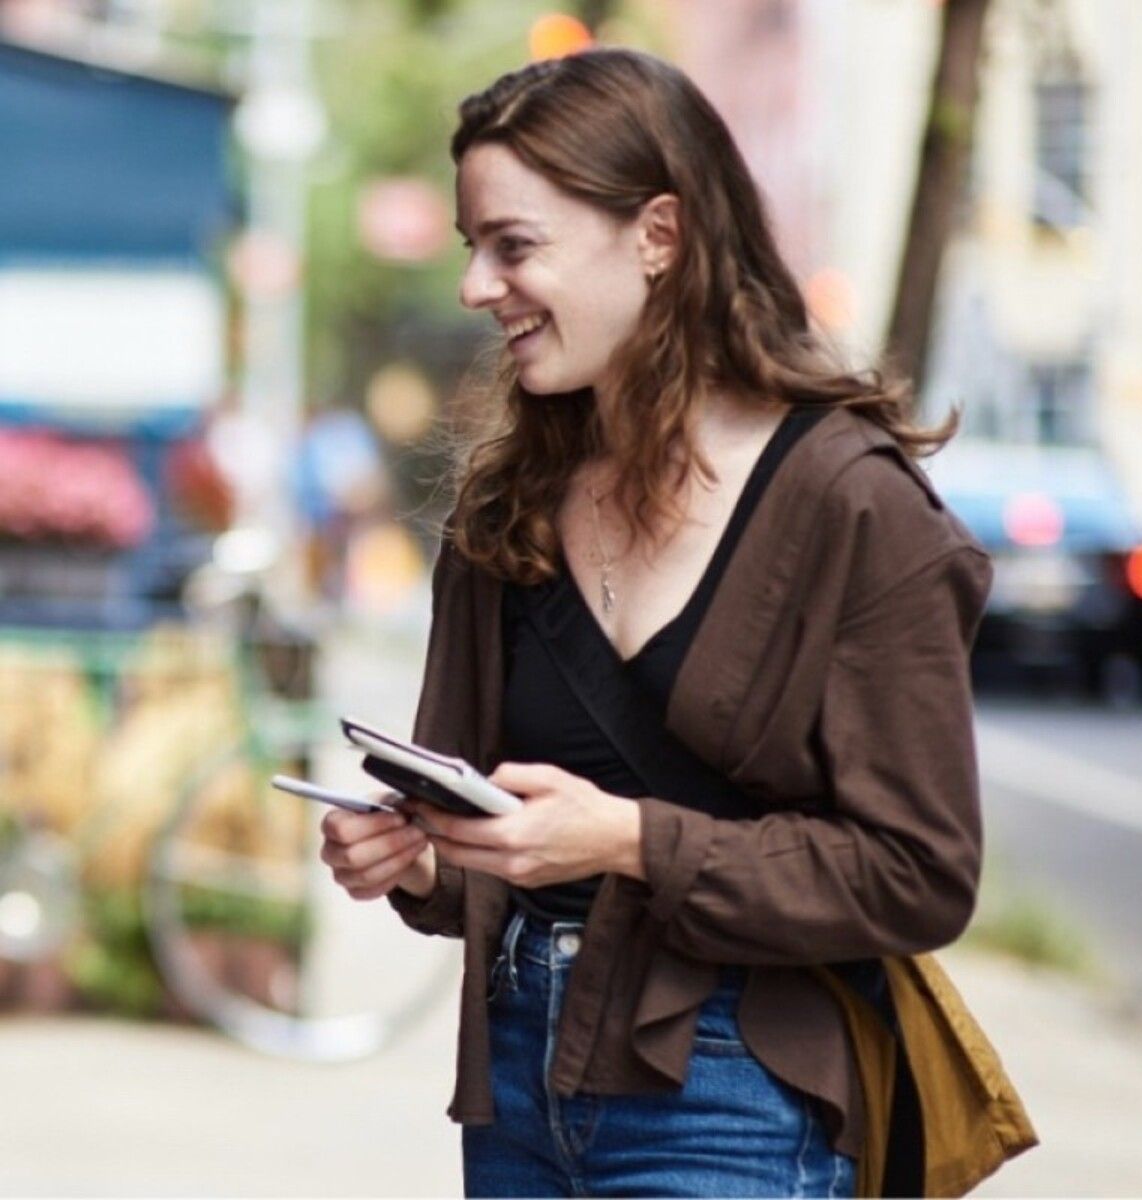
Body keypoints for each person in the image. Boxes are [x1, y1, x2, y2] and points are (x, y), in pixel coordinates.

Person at [319, 48, 1035, 1199]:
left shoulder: (853, 507)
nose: (474, 287)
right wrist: (406, 860)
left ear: (658, 235)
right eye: (470, 248)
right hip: (515, 1075)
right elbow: (473, 851)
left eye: (514, 245)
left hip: (739, 1090)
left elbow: (919, 875)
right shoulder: (503, 513)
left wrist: (628, 840)